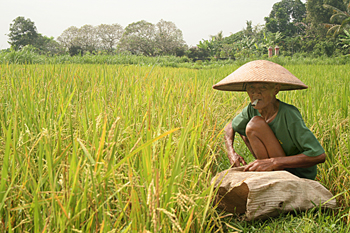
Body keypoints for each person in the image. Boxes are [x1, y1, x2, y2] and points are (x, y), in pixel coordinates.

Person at [212, 60, 326, 180]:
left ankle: (275, 175)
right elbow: (230, 126)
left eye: (263, 87)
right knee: (245, 129)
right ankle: (268, 174)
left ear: (275, 90)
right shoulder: (251, 109)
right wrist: (231, 152)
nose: (256, 93)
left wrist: (273, 162)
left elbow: (319, 155)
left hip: (295, 173)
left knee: (255, 124)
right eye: (251, 87)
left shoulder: (289, 114)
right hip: (274, 166)